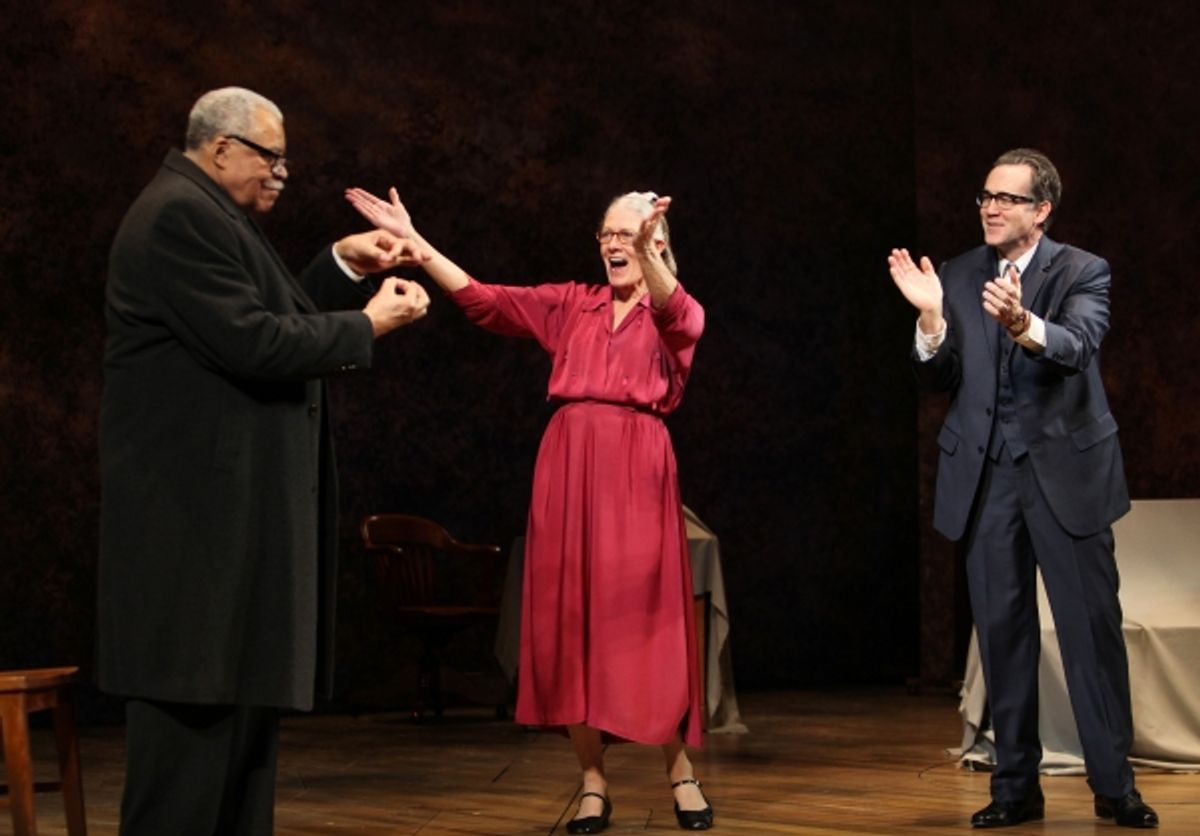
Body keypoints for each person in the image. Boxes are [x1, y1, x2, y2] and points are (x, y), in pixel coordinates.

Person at [98, 86, 431, 835]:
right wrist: (368, 324)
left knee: (238, 769)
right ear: (219, 148)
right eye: (271, 158)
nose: (282, 174)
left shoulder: (212, 215)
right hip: (191, 550)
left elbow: (266, 320)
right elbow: (254, 344)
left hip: (227, 550)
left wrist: (342, 265)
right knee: (184, 783)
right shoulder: (179, 217)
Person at [346, 185, 712, 832]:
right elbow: (485, 301)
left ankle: (679, 770)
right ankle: (592, 781)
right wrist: (416, 240)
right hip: (567, 466)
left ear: (656, 242)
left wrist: (649, 247)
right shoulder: (574, 304)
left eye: (625, 233)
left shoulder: (672, 312)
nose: (610, 243)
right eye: (604, 232)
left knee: (645, 620)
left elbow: (676, 310)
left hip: (637, 466)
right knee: (571, 619)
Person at [889, 149, 1157, 829]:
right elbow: (938, 376)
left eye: (1006, 198)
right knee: (1003, 634)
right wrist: (929, 322)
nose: (990, 207)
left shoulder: (1081, 270)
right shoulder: (955, 273)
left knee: (1088, 633)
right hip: (987, 479)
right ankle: (1014, 788)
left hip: (1066, 477)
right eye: (985, 196)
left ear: (1041, 211)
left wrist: (1021, 324)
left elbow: (1078, 344)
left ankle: (1113, 785)